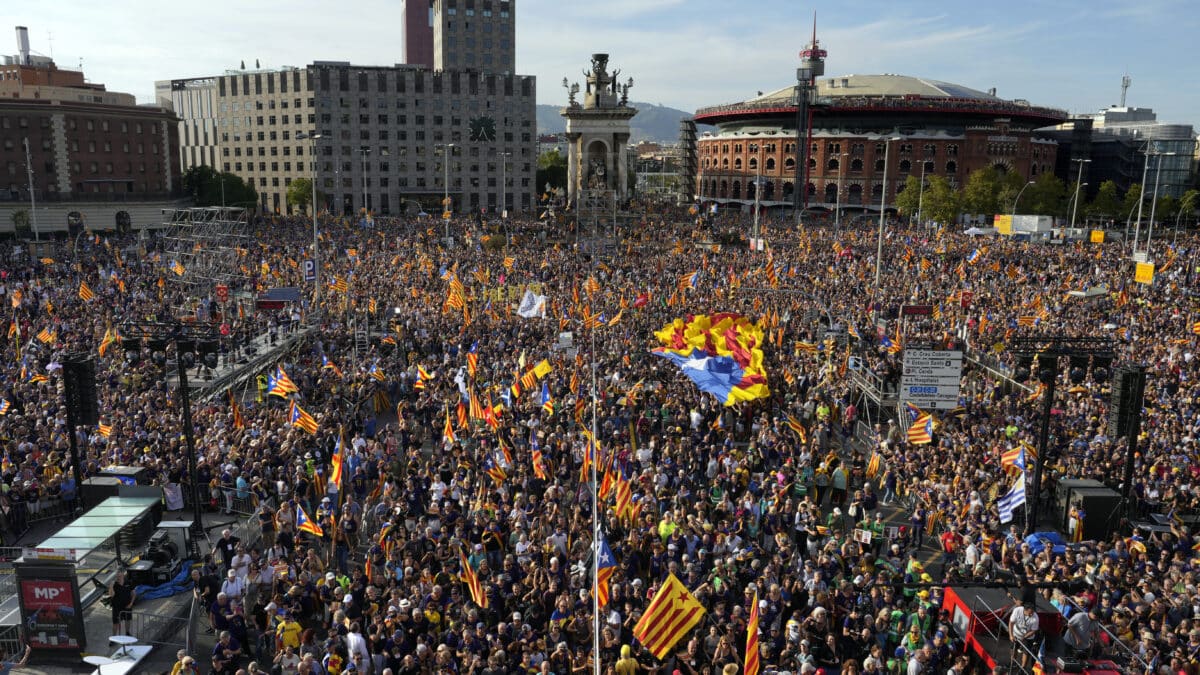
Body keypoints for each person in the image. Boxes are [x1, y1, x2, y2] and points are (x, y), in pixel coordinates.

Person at [107, 569, 136, 637]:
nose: (118, 575)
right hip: (117, 607)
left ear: (123, 574)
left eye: (119, 573)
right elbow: (111, 595)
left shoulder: (128, 582)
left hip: (127, 605)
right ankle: (114, 638)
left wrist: (131, 603)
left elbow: (134, 594)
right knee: (115, 623)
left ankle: (127, 632)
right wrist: (111, 587)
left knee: (127, 620)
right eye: (117, 574)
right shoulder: (114, 584)